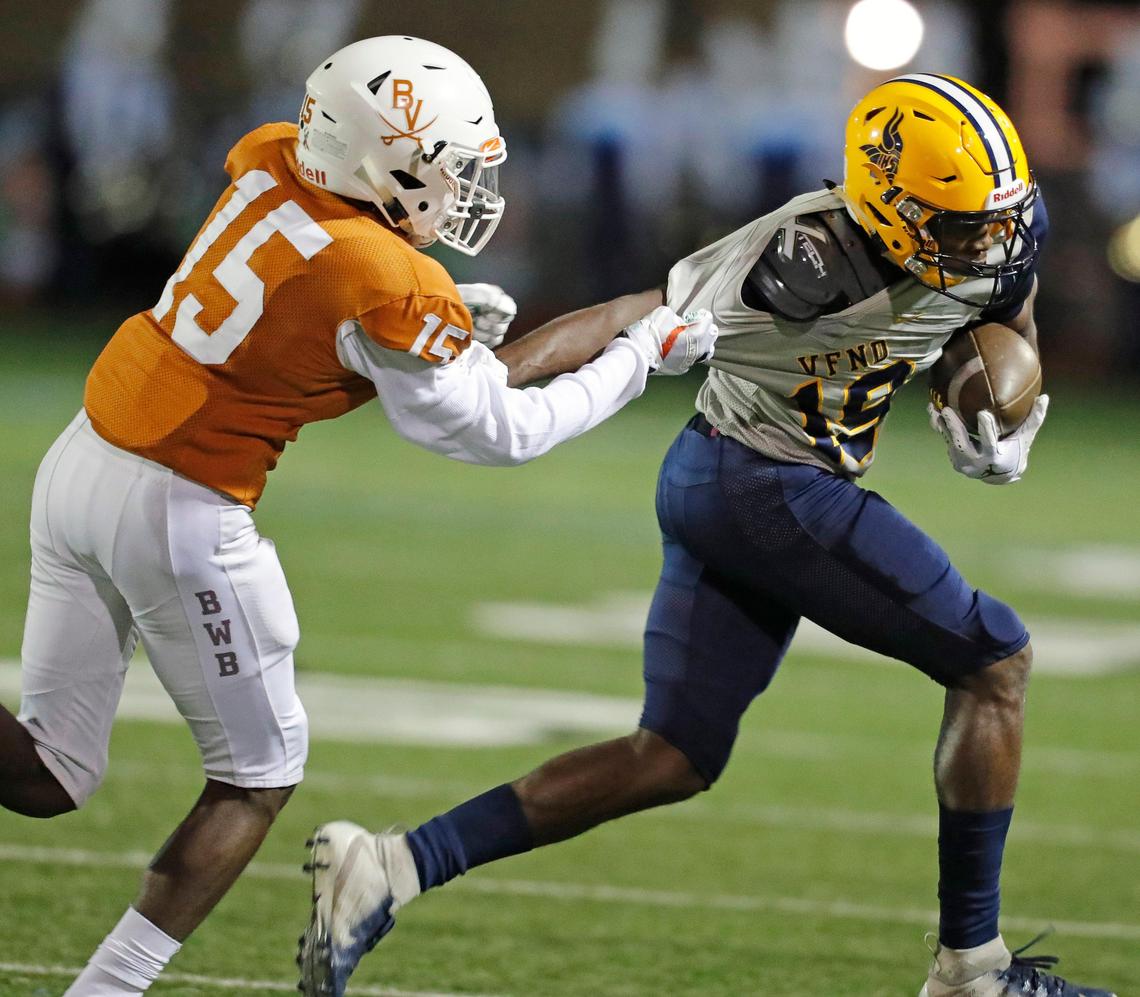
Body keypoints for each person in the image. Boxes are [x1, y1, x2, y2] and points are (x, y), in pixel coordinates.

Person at [297, 74, 1119, 997]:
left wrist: (1008, 411)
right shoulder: (800, 257)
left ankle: (392, 865)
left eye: (996, 218)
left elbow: (1009, 300)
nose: (989, 239)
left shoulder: (994, 231)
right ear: (889, 208)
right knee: (994, 659)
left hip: (725, 481)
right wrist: (489, 378)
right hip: (764, 486)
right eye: (962, 224)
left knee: (673, 754)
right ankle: (973, 970)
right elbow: (625, 315)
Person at [0, 35, 717, 997]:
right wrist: (640, 359)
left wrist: (427, 322)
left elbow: (294, 301)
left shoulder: (274, 159)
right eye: (451, 163)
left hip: (84, 457)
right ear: (389, 159)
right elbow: (500, 431)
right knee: (258, 775)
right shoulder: (386, 278)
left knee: (50, 773)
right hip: (177, 500)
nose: (464, 184)